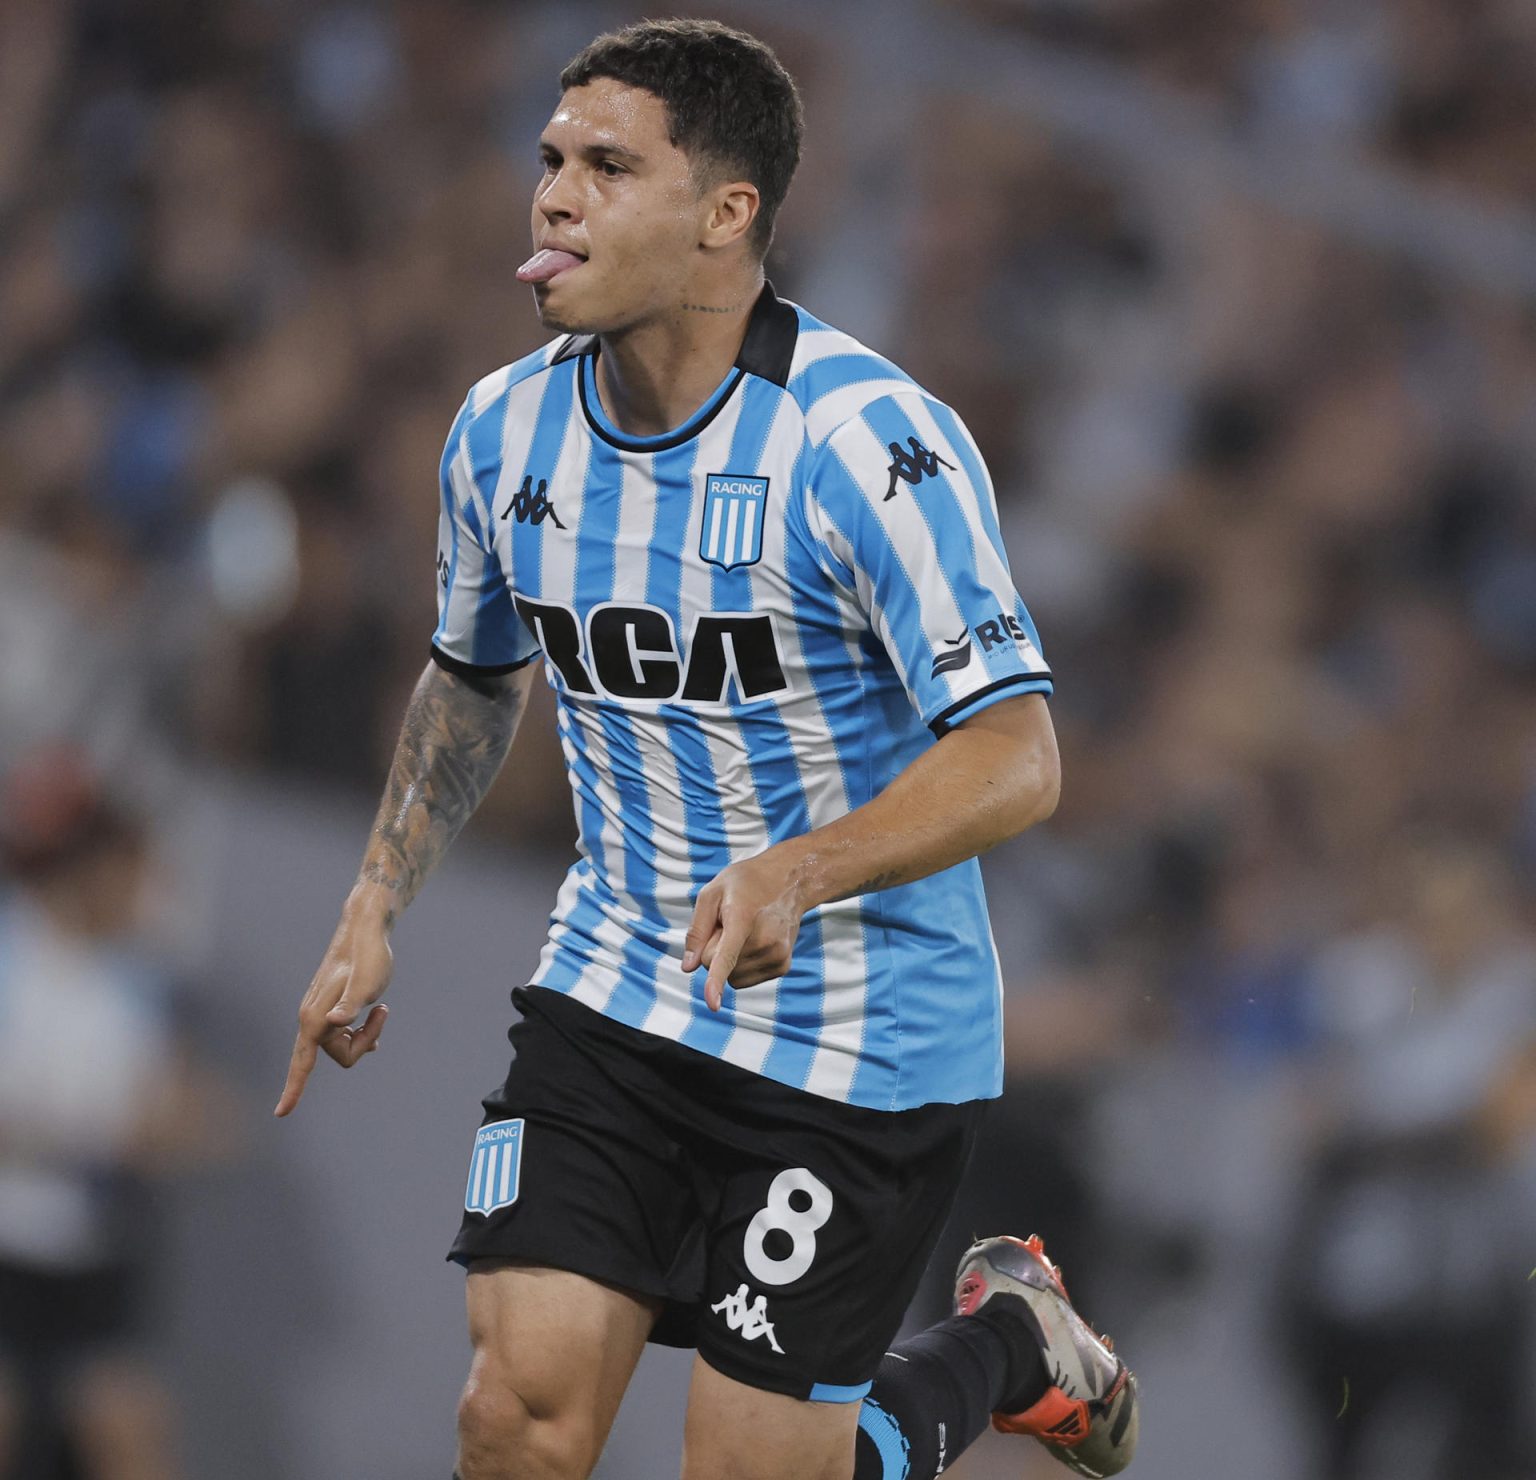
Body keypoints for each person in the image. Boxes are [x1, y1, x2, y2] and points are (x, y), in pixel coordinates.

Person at [275, 20, 1138, 1480]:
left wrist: (802, 869)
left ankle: (1006, 1345)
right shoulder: (501, 434)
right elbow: (473, 680)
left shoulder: (865, 442)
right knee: (514, 1418)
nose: (553, 196)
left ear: (726, 215)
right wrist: (374, 901)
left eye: (608, 167)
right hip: (619, 986)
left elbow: (1018, 756)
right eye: (551, 160)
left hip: (857, 1037)